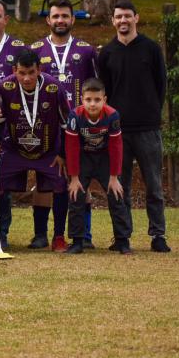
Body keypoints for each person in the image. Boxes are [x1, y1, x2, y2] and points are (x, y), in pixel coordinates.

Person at [97, 0, 170, 252]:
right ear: (113, 21)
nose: (123, 21)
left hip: (148, 128)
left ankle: (158, 236)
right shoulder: (107, 53)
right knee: (119, 186)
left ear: (136, 18)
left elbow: (161, 85)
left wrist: (151, 111)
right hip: (117, 130)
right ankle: (122, 236)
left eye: (127, 16)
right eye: (118, 17)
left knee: (154, 184)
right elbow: (103, 91)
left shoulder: (150, 49)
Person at [30, 0, 99, 247]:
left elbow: (98, 88)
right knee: (44, 178)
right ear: (48, 20)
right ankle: (40, 235)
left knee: (82, 178)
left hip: (80, 126)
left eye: (65, 16)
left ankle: (85, 235)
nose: (60, 20)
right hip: (46, 126)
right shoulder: (36, 49)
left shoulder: (88, 50)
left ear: (72, 19)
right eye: (56, 16)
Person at [0, 49, 70, 252]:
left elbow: (66, 124)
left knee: (60, 184)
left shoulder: (54, 87)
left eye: (31, 72)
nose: (26, 78)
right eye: (21, 73)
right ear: (14, 70)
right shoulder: (5, 86)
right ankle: (0, 236)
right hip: (14, 149)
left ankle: (57, 237)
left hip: (48, 150)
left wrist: (62, 154)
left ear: (40, 70)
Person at [65, 78, 131, 255]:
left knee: (116, 195)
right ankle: (77, 241)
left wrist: (114, 177)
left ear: (104, 99)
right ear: (82, 99)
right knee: (75, 195)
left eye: (97, 100)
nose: (92, 104)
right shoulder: (75, 115)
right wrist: (74, 177)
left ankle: (122, 241)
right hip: (83, 157)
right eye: (88, 100)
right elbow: (71, 146)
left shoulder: (112, 115)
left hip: (104, 157)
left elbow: (116, 146)